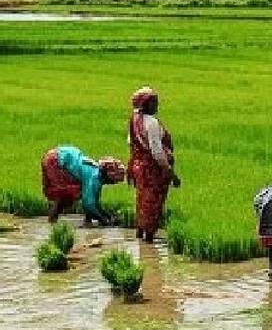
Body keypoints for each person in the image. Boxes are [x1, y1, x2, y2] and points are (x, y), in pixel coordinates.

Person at [127, 86, 180, 243]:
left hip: (139, 166)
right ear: (145, 104)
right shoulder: (151, 123)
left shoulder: (134, 120)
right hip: (153, 169)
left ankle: (140, 233)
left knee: (142, 199)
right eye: (154, 102)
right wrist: (170, 172)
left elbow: (130, 143)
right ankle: (149, 239)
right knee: (153, 202)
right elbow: (156, 151)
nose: (157, 105)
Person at [40, 145, 125, 226]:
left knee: (84, 192)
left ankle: (87, 221)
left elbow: (94, 201)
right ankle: (52, 221)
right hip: (55, 160)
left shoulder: (95, 174)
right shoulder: (94, 177)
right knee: (66, 196)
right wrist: (103, 219)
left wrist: (106, 215)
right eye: (114, 182)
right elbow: (88, 204)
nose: (113, 184)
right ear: (108, 177)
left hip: (60, 155)